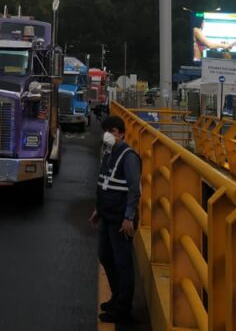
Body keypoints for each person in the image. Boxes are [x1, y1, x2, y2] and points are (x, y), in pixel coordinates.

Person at [89, 115, 141, 324]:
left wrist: (129, 217)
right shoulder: (108, 153)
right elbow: (104, 183)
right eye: (106, 131)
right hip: (107, 214)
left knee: (123, 263)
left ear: (121, 134)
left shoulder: (129, 157)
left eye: (112, 131)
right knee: (105, 256)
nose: (107, 135)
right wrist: (98, 209)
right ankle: (117, 297)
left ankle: (123, 309)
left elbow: (134, 190)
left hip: (121, 219)